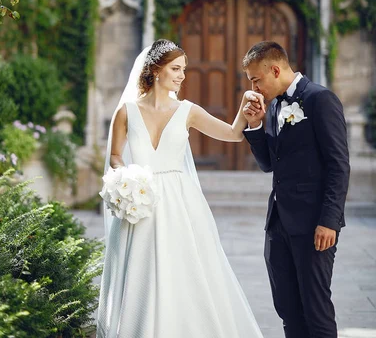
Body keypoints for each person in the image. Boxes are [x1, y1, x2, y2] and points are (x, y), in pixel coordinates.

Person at [97, 39, 263, 338]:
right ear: (155, 70)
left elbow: (233, 134)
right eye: (175, 68)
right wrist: (126, 180)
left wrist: (244, 106)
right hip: (139, 203)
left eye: (183, 69)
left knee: (186, 271)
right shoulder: (126, 111)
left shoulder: (188, 111)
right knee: (141, 273)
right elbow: (115, 156)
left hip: (180, 203)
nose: (182, 75)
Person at [242, 40, 350, 338]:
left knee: (315, 311)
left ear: (275, 70)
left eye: (256, 79)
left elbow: (338, 165)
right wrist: (254, 126)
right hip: (278, 224)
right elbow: (269, 164)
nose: (253, 87)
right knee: (288, 310)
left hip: (314, 225)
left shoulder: (320, 99)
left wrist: (329, 221)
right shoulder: (274, 104)